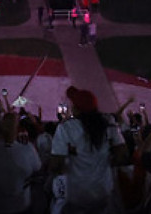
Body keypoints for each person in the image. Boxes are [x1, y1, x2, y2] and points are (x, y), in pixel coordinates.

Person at [51, 86, 128, 214]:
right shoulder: (109, 124)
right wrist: (104, 159)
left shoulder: (66, 128)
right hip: (103, 189)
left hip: (77, 193)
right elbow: (122, 155)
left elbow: (55, 164)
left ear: (77, 109)